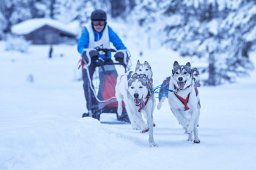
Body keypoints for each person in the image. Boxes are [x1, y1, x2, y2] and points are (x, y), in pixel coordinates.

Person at [77, 9, 129, 120]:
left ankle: (119, 107)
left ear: (105, 22)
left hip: (106, 59)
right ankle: (93, 108)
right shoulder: (87, 31)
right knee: (88, 83)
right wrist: (86, 52)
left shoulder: (108, 30)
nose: (98, 25)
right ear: (92, 22)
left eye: (101, 22)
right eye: (96, 23)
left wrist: (122, 52)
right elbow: (80, 46)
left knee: (113, 81)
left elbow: (119, 44)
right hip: (90, 60)